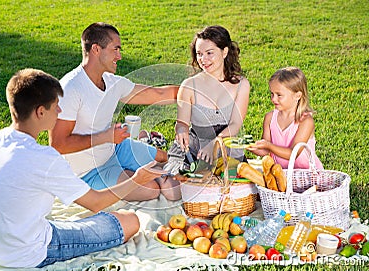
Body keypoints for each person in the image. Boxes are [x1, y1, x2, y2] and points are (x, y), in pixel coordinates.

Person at [0, 69, 165, 268]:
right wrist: (137, 180)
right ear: (40, 112)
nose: (60, 112)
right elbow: (96, 203)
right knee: (130, 221)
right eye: (56, 106)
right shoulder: (44, 158)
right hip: (28, 253)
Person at [49, 22, 181, 201]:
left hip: (117, 149)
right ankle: (136, 165)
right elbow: (58, 145)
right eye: (115, 49)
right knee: (151, 190)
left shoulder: (112, 82)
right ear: (96, 49)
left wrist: (194, 91)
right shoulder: (71, 89)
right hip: (87, 172)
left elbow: (157, 94)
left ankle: (143, 150)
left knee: (169, 165)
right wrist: (105, 137)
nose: (119, 56)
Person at [165, 25, 250, 174]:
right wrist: (181, 130)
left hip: (225, 146)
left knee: (233, 189)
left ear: (224, 52)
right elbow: (182, 123)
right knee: (174, 188)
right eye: (199, 54)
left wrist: (215, 144)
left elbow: (236, 123)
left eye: (209, 53)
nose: (203, 60)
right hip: (194, 149)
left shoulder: (241, 84)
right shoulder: (189, 85)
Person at [247, 67, 323, 169]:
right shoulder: (270, 118)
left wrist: (269, 145)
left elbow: (293, 154)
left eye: (279, 95)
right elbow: (265, 150)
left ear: (297, 95)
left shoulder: (305, 121)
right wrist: (246, 145)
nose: (273, 99)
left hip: (308, 176)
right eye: (272, 93)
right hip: (282, 174)